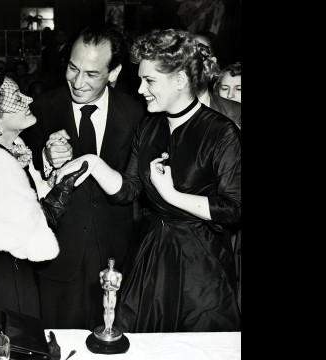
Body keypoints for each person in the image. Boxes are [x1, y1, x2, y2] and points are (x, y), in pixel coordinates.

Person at [56, 28, 241, 332]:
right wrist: (92, 162)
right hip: (151, 254)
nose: (140, 89)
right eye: (141, 79)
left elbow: (235, 209)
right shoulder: (148, 128)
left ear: (180, 80)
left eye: (149, 80)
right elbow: (128, 190)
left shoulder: (222, 133)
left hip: (200, 265)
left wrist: (172, 195)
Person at [20, 23, 145, 330]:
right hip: (58, 258)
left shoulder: (137, 113)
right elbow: (24, 179)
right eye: (73, 68)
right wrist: (48, 161)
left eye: (91, 74)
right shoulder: (41, 107)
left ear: (113, 73)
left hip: (116, 260)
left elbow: (136, 188)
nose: (77, 82)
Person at [0, 62, 88, 330]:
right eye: (17, 98)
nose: (28, 98)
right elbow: (35, 231)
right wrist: (64, 188)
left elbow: (26, 198)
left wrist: (51, 167)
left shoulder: (10, 149)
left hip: (5, 270)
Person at [193, 34, 241, 129]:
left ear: (212, 62)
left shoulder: (237, 112)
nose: (192, 62)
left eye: (239, 89)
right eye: (224, 88)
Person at [99, 258, 122, 335]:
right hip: (106, 294)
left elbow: (118, 287)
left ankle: (110, 327)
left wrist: (111, 285)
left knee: (111, 310)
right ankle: (106, 327)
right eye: (109, 263)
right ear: (108, 263)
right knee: (106, 310)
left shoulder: (118, 274)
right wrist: (104, 286)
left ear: (114, 264)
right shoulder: (102, 273)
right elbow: (102, 285)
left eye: (112, 263)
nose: (110, 265)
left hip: (113, 295)